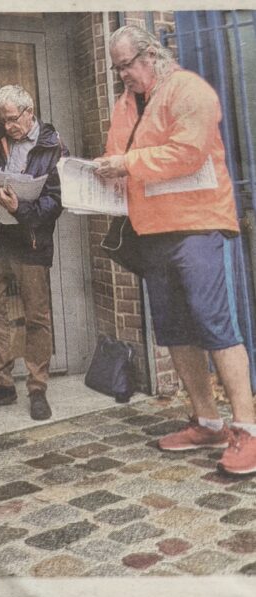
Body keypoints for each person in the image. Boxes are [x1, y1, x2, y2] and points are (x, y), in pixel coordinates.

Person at [95, 25, 256, 474]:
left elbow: (187, 152)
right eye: (117, 67)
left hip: (197, 226)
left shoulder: (188, 90)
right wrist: (99, 174)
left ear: (151, 54)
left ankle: (248, 429)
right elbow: (117, 156)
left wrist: (125, 164)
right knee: (174, 330)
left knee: (215, 324)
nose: (123, 74)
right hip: (152, 232)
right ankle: (207, 422)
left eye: (127, 64)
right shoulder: (125, 105)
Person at [0, 85, 66, 420]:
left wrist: (20, 208)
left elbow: (54, 202)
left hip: (31, 241)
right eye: (3, 119)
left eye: (12, 119)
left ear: (29, 111)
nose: (8, 125)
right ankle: (2, 382)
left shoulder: (54, 146)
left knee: (37, 316)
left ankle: (37, 388)